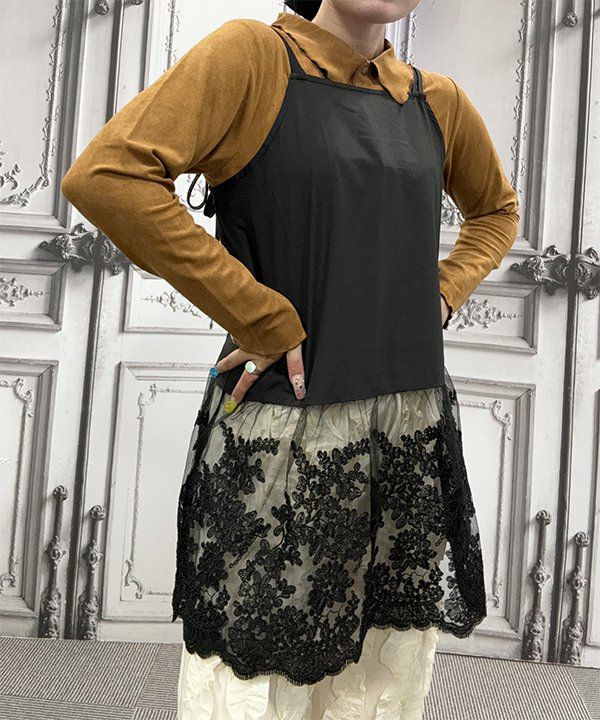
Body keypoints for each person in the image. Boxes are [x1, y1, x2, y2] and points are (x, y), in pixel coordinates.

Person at [60, 0, 519, 717]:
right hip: (286, 425)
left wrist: (441, 291)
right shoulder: (251, 56)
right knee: (253, 679)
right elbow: (108, 177)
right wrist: (258, 314)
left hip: (406, 425)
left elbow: (496, 211)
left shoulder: (438, 100)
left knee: (381, 676)